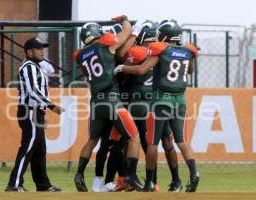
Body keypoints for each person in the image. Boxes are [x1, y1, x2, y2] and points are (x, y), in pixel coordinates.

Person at [114, 19, 200, 192]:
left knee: (152, 142)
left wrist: (122, 68)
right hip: (180, 100)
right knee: (181, 140)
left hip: (161, 100)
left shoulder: (159, 50)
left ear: (165, 35)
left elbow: (140, 70)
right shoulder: (188, 50)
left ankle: (150, 182)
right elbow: (190, 71)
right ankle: (194, 174)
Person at [73, 15, 143, 192]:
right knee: (133, 137)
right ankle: (131, 176)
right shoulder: (105, 44)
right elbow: (125, 33)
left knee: (92, 140)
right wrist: (126, 21)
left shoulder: (81, 55)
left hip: (95, 102)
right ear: (98, 33)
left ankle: (79, 174)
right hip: (112, 100)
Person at [5, 37, 65, 192]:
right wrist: (51, 106)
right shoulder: (28, 67)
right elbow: (32, 91)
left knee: (39, 149)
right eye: (39, 49)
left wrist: (42, 112)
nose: (42, 51)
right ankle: (14, 184)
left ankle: (43, 185)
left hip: (35, 111)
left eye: (42, 48)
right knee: (28, 146)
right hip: (28, 111)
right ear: (29, 51)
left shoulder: (35, 67)